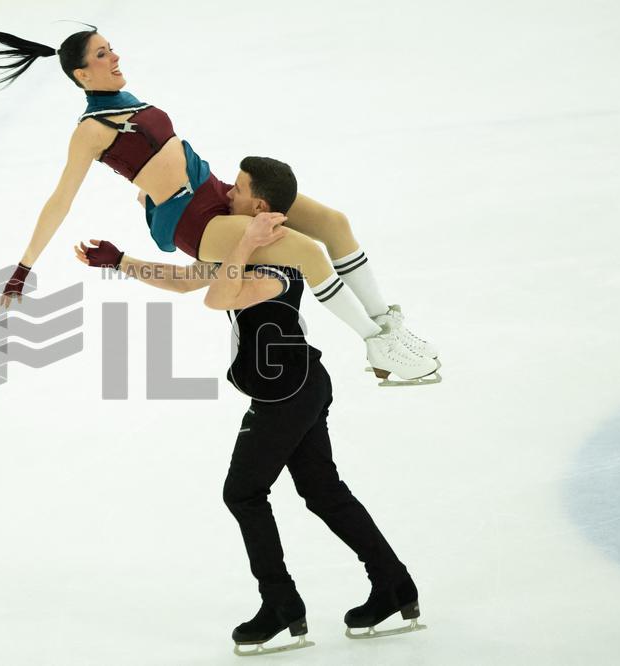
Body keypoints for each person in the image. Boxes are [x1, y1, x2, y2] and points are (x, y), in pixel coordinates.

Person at [73, 157, 426, 654]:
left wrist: (245, 241)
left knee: (243, 493)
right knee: (323, 492)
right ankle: (393, 586)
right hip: (298, 387)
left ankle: (282, 606)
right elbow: (184, 280)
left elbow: (217, 298)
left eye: (236, 190)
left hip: (287, 394)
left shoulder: (277, 262)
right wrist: (119, 262)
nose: (226, 195)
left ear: (259, 207)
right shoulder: (245, 251)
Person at [0, 21, 440, 384]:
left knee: (332, 223)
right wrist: (24, 267)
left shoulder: (126, 99)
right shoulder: (91, 129)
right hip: (194, 222)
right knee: (306, 253)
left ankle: (385, 320)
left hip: (216, 192)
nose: (115, 56)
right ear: (82, 73)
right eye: (103, 54)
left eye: (111, 49)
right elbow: (59, 201)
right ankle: (377, 344)